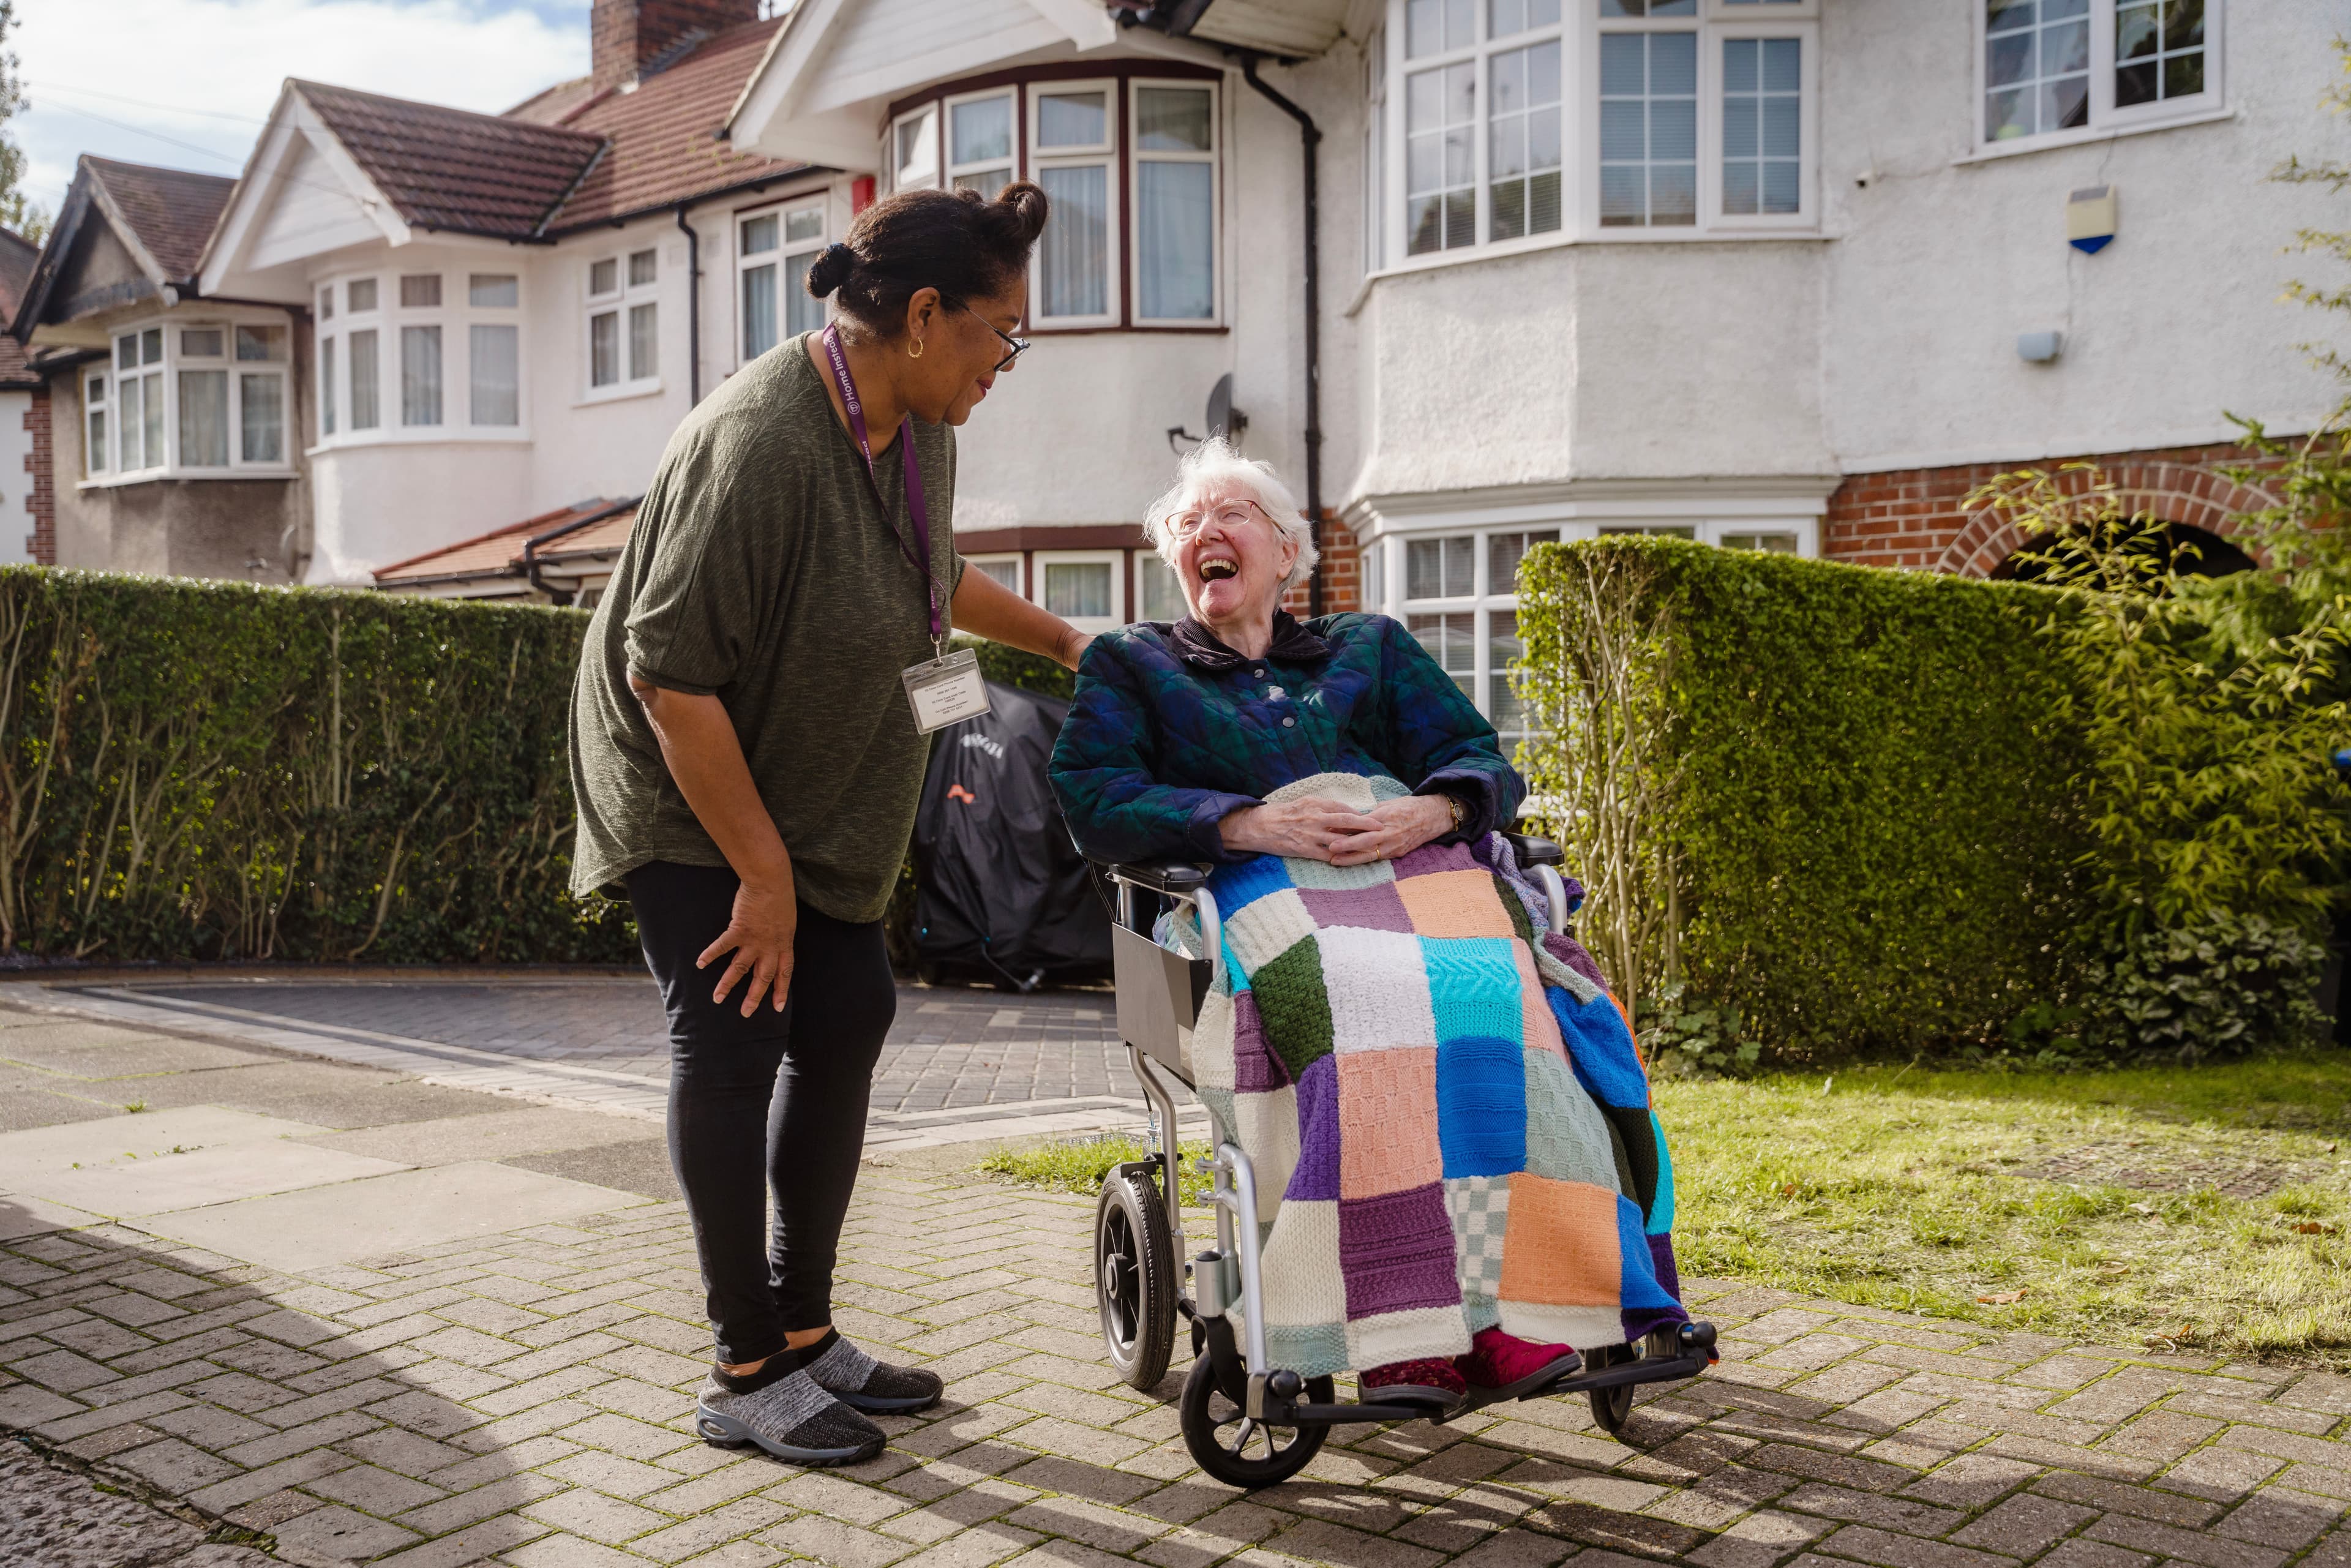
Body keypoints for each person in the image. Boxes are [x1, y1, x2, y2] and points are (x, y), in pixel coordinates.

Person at [569, 181, 1092, 1467]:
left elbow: (932, 581)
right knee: (738, 1032)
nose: (1006, 363)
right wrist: (759, 875)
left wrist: (1075, 643)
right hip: (683, 775)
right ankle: (745, 1368)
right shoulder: (755, 446)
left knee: (849, 1010)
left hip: (805, 771)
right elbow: (668, 677)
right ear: (923, 318)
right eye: (1002, 334)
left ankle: (807, 1335)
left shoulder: (922, 428)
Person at [1049, 439, 1685, 1406]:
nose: (1206, 533)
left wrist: (1435, 810)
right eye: (1187, 523)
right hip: (1254, 886)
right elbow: (1092, 794)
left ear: (1288, 549)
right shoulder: (1133, 666)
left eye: (1233, 515)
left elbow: (1477, 755)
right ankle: (1398, 1330)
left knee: (1502, 1008)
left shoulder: (1371, 647)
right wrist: (1239, 818)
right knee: (1363, 1021)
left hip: (1415, 870)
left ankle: (1522, 1309)